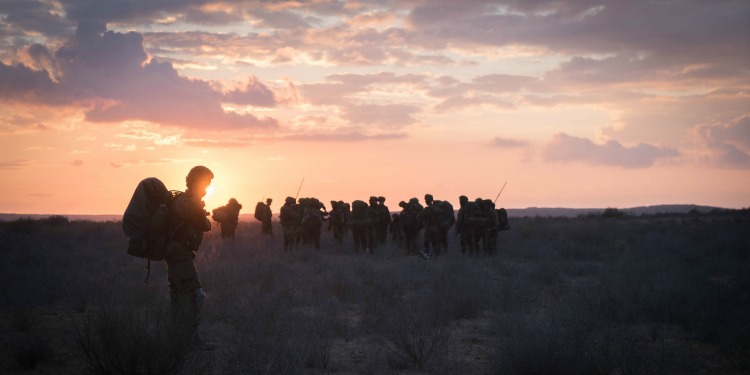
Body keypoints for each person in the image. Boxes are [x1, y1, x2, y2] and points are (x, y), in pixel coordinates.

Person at [166, 165, 216, 351]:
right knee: (197, 296)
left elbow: (203, 224)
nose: (207, 188)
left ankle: (179, 339)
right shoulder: (185, 202)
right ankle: (191, 340)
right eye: (206, 183)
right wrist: (198, 207)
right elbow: (201, 222)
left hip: (182, 254)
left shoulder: (190, 202)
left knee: (180, 298)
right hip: (179, 256)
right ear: (196, 182)